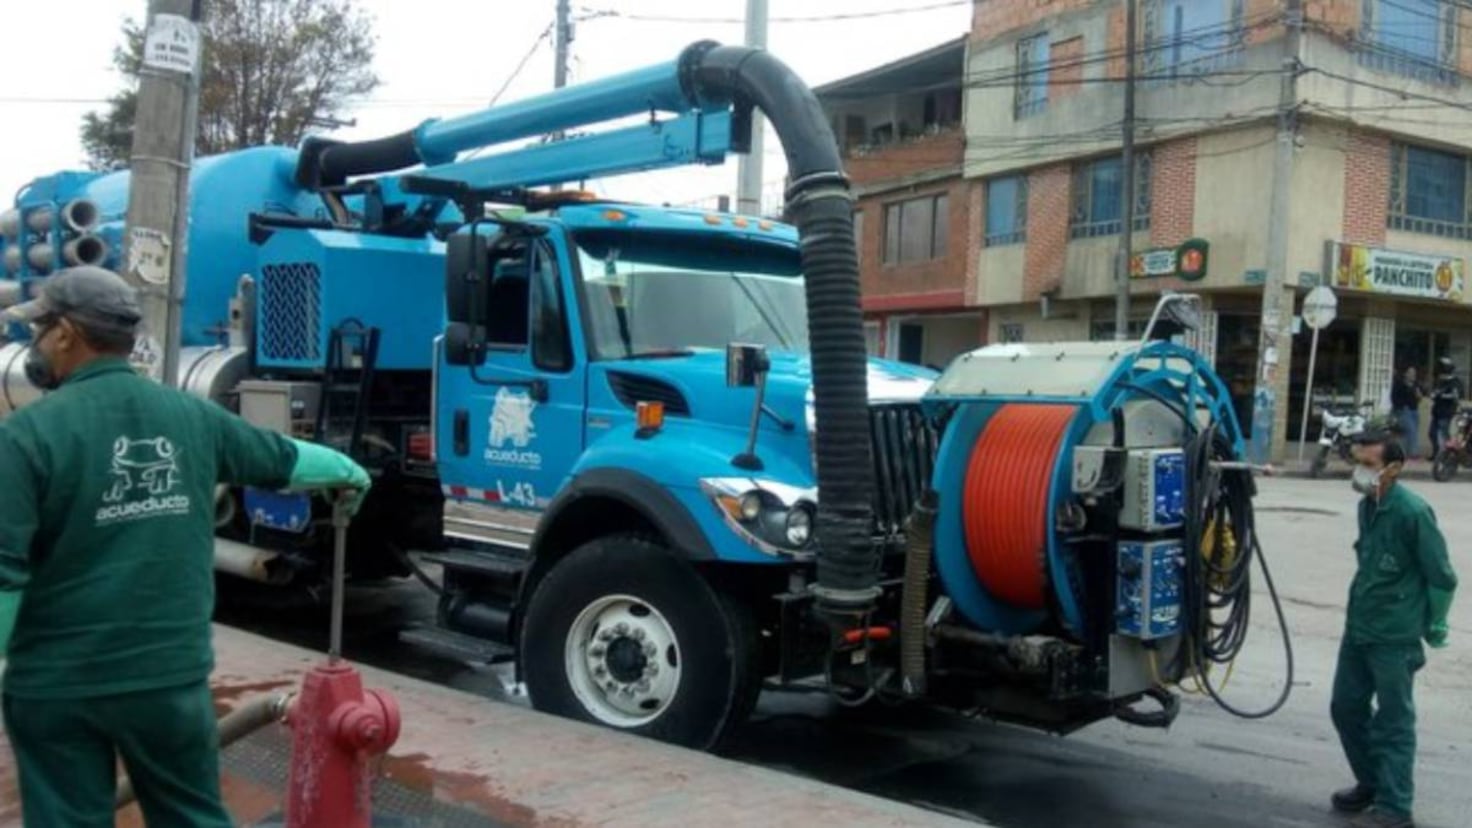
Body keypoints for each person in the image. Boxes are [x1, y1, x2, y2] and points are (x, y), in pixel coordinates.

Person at [0, 266, 371, 826]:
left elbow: (5, 574)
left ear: (65, 334)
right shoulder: (192, 415)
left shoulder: (26, 436)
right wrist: (349, 471)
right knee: (192, 816)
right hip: (167, 680)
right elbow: (282, 460)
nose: (35, 343)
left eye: (39, 328)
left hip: (59, 686)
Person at [1329, 418, 1457, 828]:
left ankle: (1395, 808)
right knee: (1345, 707)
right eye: (1358, 463)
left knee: (1393, 721)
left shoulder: (1413, 512)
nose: (1360, 472)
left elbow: (1441, 575)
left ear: (1393, 469)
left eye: (1369, 465)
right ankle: (1372, 782)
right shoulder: (1368, 506)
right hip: (1361, 626)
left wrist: (1435, 622)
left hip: (1395, 636)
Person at [1427, 356, 1463, 461]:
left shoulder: (1455, 381)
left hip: (1446, 412)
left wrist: (1442, 395)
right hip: (1437, 411)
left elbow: (1457, 396)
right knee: (1432, 433)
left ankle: (1446, 456)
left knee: (1443, 433)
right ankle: (1436, 453)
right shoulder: (1439, 381)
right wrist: (1434, 394)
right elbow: (1434, 393)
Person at [1389, 366, 1423, 459]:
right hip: (1403, 410)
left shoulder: (1416, 385)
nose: (1412, 375)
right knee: (1410, 431)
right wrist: (1400, 406)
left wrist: (1419, 395)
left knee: (1412, 432)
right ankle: (1413, 453)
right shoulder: (1399, 384)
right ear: (1406, 374)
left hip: (1414, 410)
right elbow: (1394, 398)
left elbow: (1419, 398)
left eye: (1414, 373)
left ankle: (1405, 453)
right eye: (1410, 373)